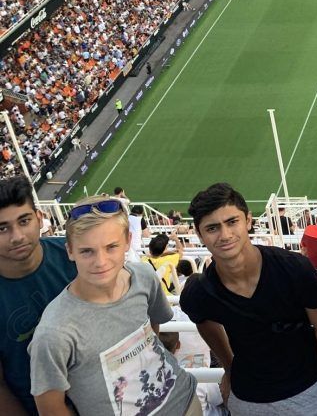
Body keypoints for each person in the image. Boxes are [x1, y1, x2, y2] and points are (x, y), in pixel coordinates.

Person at [29, 197, 200, 415]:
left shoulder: (144, 276)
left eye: (111, 247)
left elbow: (151, 333)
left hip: (186, 401)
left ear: (128, 241)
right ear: (70, 251)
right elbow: (51, 409)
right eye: (87, 251)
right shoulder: (53, 333)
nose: (101, 261)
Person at [180, 183, 317, 415]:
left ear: (248, 220)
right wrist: (230, 367)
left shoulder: (295, 268)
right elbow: (202, 320)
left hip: (309, 392)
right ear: (199, 234)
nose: (225, 235)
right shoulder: (200, 290)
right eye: (213, 228)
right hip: (248, 399)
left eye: (232, 222)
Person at [0, 177, 78, 415]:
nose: (17, 236)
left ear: (39, 218)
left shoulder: (74, 255)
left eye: (24, 221)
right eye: (2, 228)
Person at [142, 230, 183, 296]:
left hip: (148, 297)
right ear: (165, 248)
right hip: (164, 298)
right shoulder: (168, 260)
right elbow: (180, 251)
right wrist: (176, 240)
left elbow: (150, 255)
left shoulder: (143, 259)